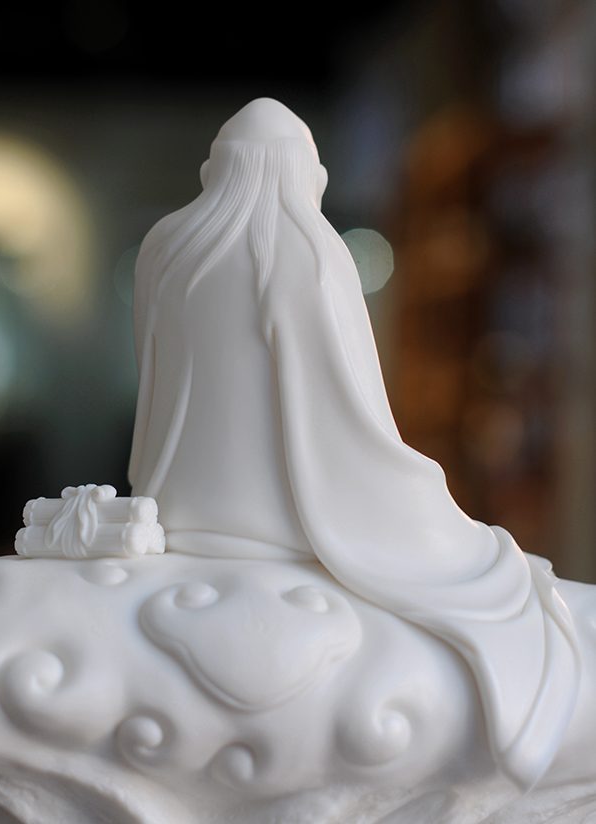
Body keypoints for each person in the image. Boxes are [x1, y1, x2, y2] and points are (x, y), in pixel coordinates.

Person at [129, 98, 578, 788]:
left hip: (176, 508)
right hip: (281, 525)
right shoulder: (313, 251)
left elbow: (152, 387)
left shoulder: (163, 247)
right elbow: (355, 406)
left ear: (214, 169)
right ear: (306, 173)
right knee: (480, 554)